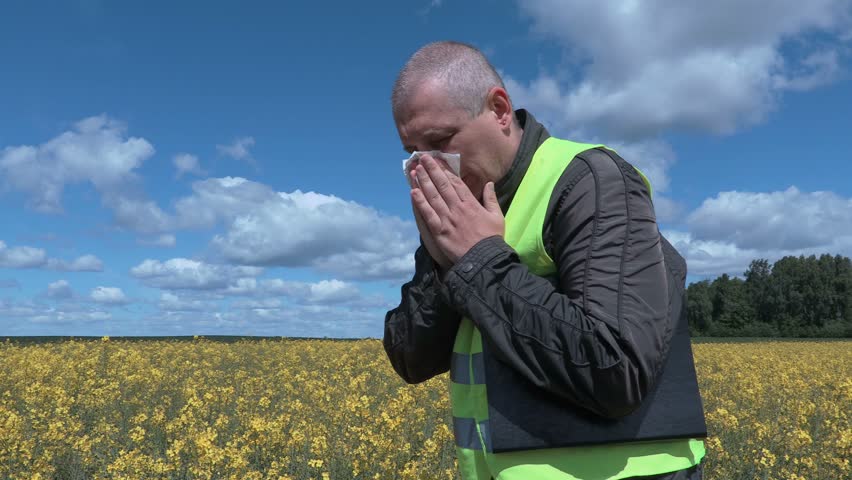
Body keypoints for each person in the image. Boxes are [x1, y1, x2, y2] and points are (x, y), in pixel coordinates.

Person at [383, 41, 707, 480]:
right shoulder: (462, 217)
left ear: (499, 110)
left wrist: (479, 262)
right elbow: (410, 360)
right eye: (412, 152)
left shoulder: (590, 181)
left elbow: (617, 368)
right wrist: (444, 265)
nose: (429, 168)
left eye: (441, 142)